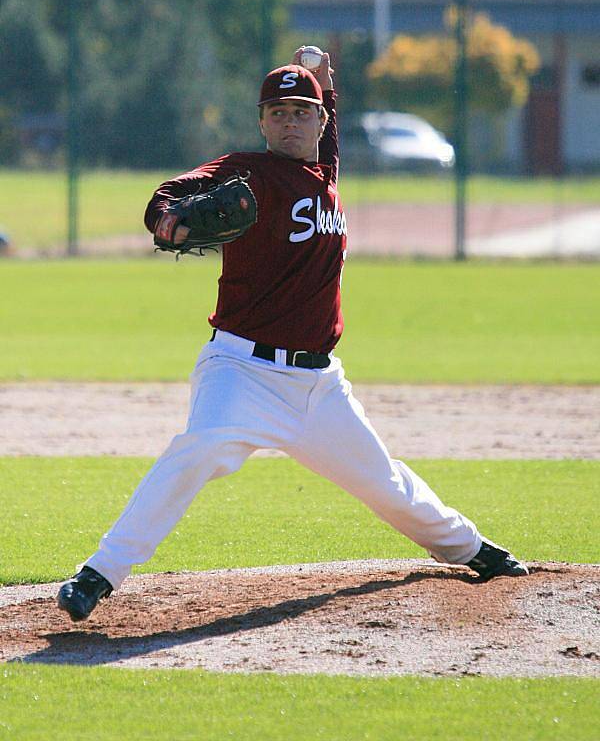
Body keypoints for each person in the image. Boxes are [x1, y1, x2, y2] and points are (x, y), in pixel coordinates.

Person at [57, 49, 528, 622]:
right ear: (261, 121)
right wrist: (165, 215)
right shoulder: (246, 170)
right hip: (242, 371)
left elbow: (324, 138)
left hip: (319, 388)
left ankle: (471, 548)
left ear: (321, 121)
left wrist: (327, 87)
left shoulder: (324, 168)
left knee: (385, 483)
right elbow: (171, 192)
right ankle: (98, 574)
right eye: (277, 112)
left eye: (302, 111)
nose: (289, 121)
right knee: (198, 448)